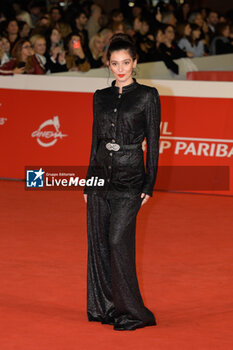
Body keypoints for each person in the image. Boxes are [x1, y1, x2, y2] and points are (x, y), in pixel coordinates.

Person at [83, 33, 161, 331]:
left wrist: (148, 185)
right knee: (100, 242)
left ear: (135, 63)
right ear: (108, 63)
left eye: (126, 62)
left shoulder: (147, 96)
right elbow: (95, 141)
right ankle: (106, 306)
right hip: (100, 177)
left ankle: (135, 313)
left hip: (131, 179)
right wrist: (88, 183)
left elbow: (153, 143)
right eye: (114, 63)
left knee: (118, 241)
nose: (120, 68)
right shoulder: (99, 97)